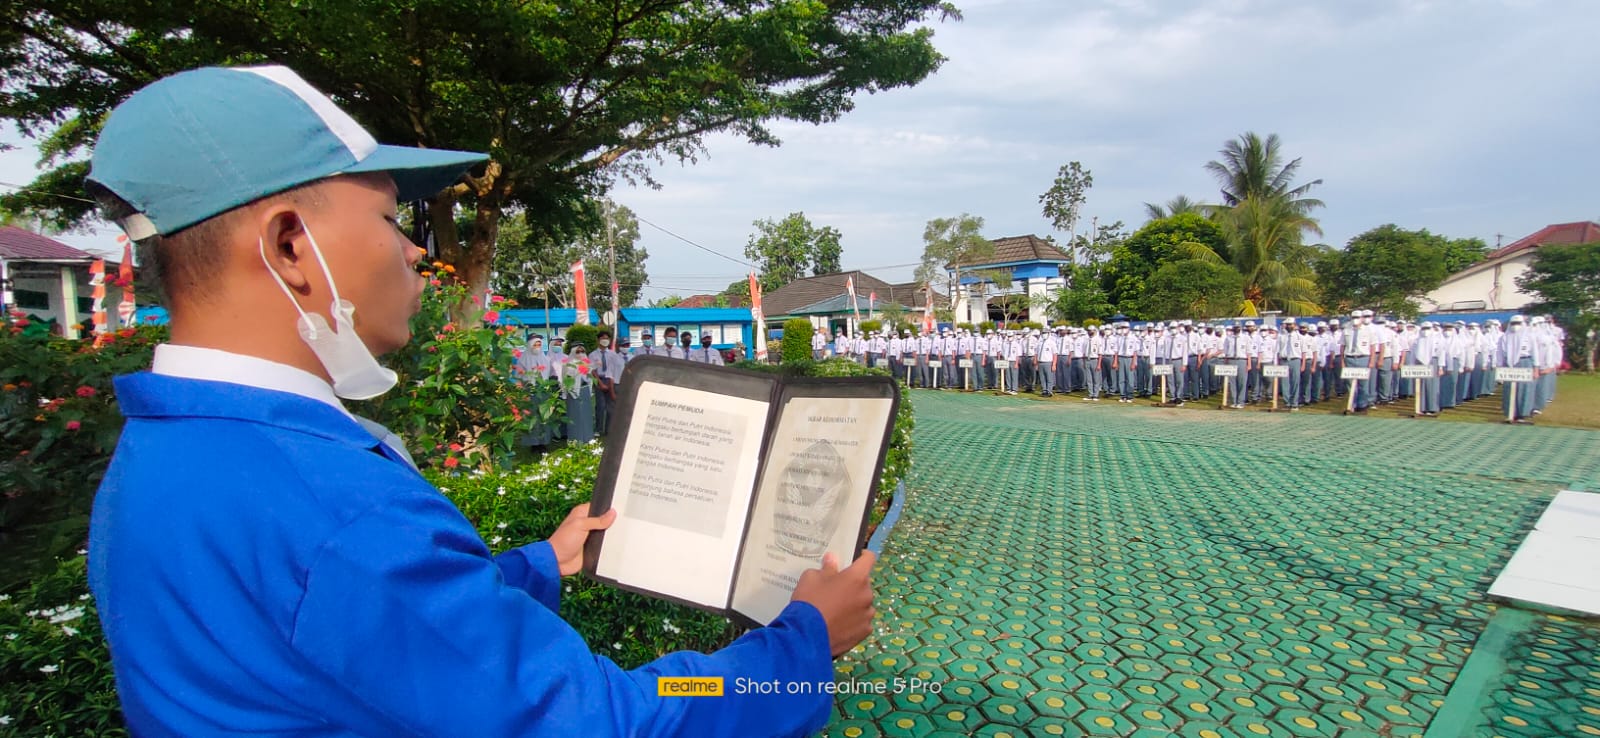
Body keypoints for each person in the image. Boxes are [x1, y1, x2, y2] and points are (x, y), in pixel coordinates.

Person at [84, 65, 873, 738]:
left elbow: (372, 633)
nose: (418, 251)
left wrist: (540, 566)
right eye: (395, 218)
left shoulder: (163, 450)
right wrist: (800, 648)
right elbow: (602, 720)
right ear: (292, 245)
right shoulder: (337, 508)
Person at [590, 329, 626, 435]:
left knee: (611, 406)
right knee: (600, 406)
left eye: (607, 338)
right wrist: (600, 383)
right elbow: (592, 370)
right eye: (602, 338)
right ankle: (599, 429)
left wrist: (611, 383)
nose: (605, 340)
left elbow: (615, 369)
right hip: (599, 379)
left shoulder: (613, 354)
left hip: (610, 380)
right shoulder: (593, 355)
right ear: (598, 340)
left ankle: (609, 429)